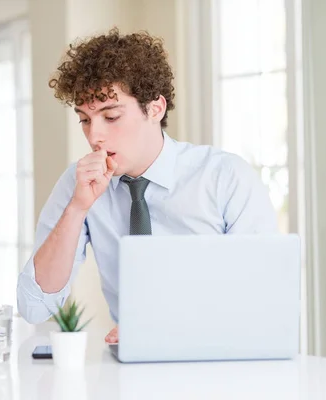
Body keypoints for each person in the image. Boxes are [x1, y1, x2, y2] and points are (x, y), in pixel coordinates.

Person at [16, 28, 278, 344]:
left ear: (155, 108)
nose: (94, 135)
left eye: (110, 116)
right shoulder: (79, 183)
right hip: (128, 371)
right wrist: (77, 208)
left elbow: (264, 296)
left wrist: (167, 327)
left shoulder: (225, 177)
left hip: (220, 360)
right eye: (85, 119)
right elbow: (34, 307)